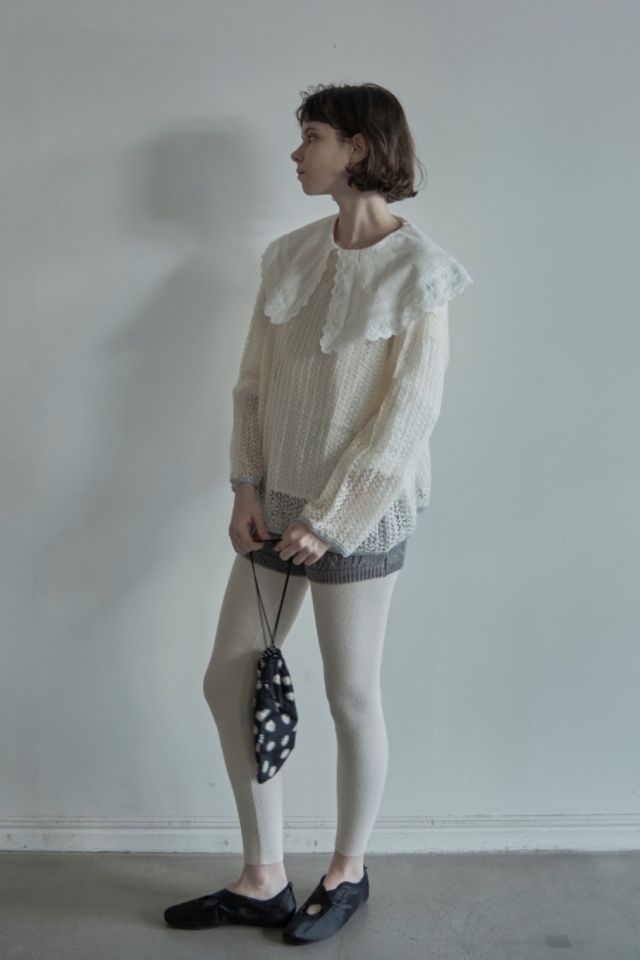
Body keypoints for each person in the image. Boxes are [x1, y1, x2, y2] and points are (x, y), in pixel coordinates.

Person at [164, 82, 472, 945]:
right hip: (274, 507)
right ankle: (263, 876)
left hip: (360, 516)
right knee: (230, 678)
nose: (297, 153)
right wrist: (245, 485)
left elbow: (409, 414)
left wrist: (334, 518)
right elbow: (252, 383)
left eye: (313, 136)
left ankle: (347, 870)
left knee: (349, 694)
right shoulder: (290, 255)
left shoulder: (422, 271)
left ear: (359, 149)